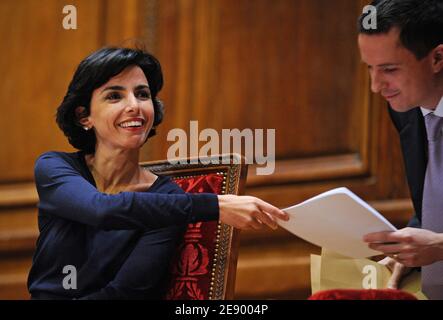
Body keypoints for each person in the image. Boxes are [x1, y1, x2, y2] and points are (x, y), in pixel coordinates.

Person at [27, 47, 289, 299]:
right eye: (114, 96)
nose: (135, 106)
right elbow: (100, 209)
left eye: (142, 94)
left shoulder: (167, 200)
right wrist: (215, 205)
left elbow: (124, 294)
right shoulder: (55, 167)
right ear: (84, 116)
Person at [357, 0, 443, 299]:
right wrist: (407, 248)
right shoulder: (405, 109)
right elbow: (433, 194)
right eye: (370, 68)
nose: (375, 86)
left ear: (437, 58)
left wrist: (440, 246)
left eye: (389, 69)